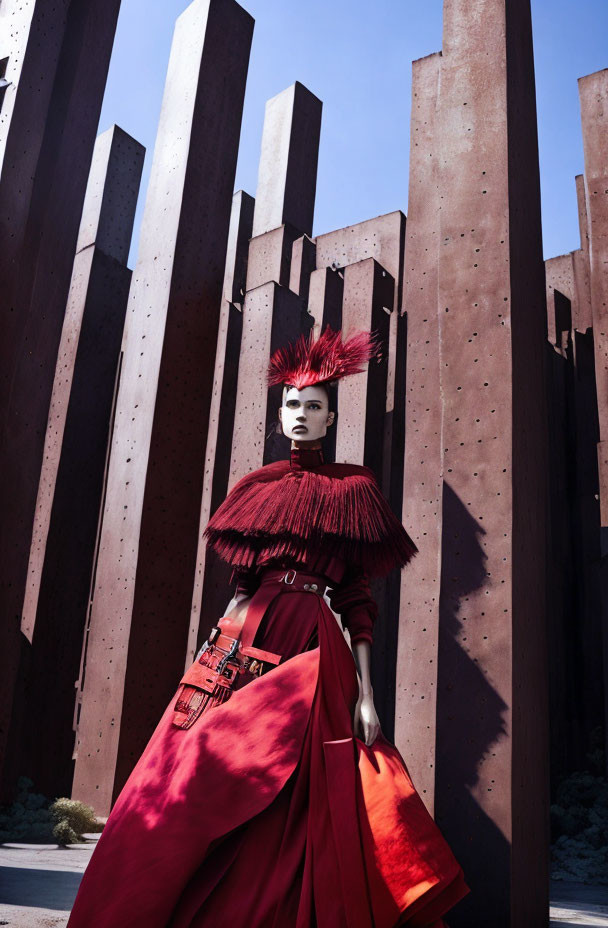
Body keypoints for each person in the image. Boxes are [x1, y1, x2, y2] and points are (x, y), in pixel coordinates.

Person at [67, 326, 470, 928]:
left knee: (304, 791)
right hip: (240, 645)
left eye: (314, 407)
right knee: (195, 772)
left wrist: (366, 693)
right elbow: (242, 588)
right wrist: (213, 654)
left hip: (311, 648)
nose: (301, 415)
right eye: (292, 405)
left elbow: (356, 599)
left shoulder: (354, 489)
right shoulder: (255, 488)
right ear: (279, 414)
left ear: (330, 418)